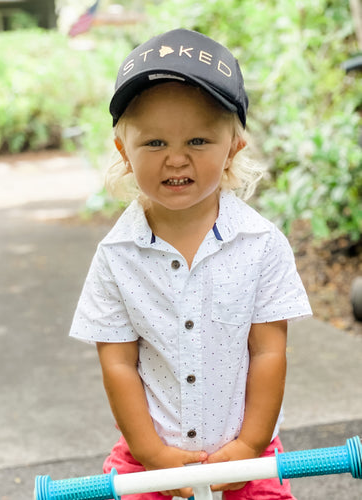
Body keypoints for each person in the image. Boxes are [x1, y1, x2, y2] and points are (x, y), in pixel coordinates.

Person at [69, 28, 312, 500]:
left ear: (233, 147)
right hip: (150, 458)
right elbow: (118, 363)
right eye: (154, 143)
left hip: (247, 452)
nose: (176, 158)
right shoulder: (116, 257)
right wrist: (153, 456)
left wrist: (248, 446)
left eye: (198, 140)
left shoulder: (262, 245)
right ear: (124, 152)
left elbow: (268, 352)